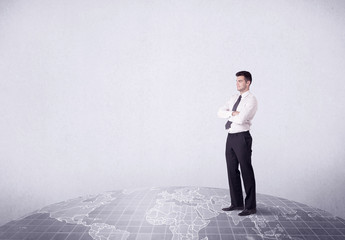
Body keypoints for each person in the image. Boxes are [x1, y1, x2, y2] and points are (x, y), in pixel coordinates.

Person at [217, 71, 258, 216]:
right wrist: (232, 113)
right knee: (232, 170)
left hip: (242, 137)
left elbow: (241, 120)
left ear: (248, 83)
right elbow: (219, 112)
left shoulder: (251, 100)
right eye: (236, 81)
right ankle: (237, 203)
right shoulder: (234, 97)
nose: (237, 83)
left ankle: (250, 206)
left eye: (240, 81)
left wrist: (232, 114)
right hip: (231, 137)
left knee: (246, 170)